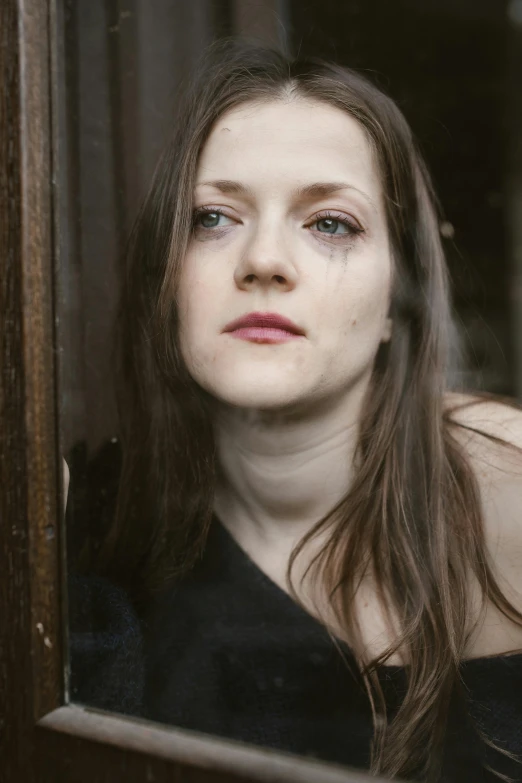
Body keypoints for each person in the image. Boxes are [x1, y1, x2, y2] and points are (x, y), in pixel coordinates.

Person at [67, 40, 522, 783]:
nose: (264, 259)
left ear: (394, 300)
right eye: (214, 217)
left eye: (330, 223)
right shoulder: (97, 531)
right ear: (166, 277)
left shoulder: (508, 493)